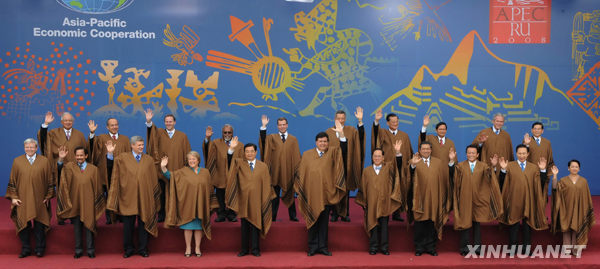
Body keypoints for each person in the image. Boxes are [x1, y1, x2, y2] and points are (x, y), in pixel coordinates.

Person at [295, 123, 347, 257]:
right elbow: (302, 174)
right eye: (320, 141)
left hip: (327, 194)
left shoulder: (333, 152)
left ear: (328, 142)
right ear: (316, 142)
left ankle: (323, 247)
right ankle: (312, 247)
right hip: (312, 194)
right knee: (312, 221)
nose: (323, 143)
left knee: (324, 223)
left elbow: (344, 150)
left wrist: (341, 134)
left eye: (325, 141)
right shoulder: (307, 155)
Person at [106, 136, 161, 258]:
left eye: (142, 145)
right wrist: (110, 154)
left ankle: (143, 249)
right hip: (127, 197)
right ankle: (128, 249)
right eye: (139, 145)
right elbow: (111, 168)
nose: (141, 147)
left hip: (144, 198)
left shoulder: (149, 160)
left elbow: (153, 180)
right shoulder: (122, 158)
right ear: (132, 145)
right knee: (128, 227)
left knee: (144, 225)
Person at [160, 151, 219, 258]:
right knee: (188, 227)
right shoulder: (183, 171)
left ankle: (197, 247)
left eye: (193, 159)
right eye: (189, 159)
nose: (191, 161)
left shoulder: (205, 172)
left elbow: (210, 188)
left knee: (199, 227)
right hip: (187, 204)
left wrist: (211, 202)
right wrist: (163, 167)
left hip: (201, 204)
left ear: (198, 160)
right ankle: (188, 247)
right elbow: (171, 177)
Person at [226, 140, 275, 257]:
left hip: (258, 200)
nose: (249, 154)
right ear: (244, 153)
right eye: (247, 151)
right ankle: (244, 250)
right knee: (244, 227)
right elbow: (229, 162)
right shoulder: (239, 163)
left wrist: (265, 199)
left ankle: (255, 249)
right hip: (243, 200)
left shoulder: (263, 166)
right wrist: (231, 149)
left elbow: (267, 184)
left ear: (256, 152)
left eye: (251, 151)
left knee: (256, 226)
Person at [451, 145, 503, 256]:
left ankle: (477, 248)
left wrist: (493, 166)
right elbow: (453, 177)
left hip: (479, 199)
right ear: (466, 154)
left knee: (476, 224)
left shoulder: (483, 166)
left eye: (473, 153)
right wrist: (451, 162)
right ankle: (464, 248)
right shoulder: (460, 166)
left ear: (477, 154)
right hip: (465, 198)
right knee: (465, 224)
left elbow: (490, 178)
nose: (471, 155)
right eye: (469, 153)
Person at [405, 141, 454, 256]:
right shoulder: (414, 161)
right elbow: (407, 177)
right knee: (420, 225)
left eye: (428, 149)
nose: (426, 151)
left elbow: (447, 176)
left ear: (431, 150)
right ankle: (419, 248)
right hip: (419, 199)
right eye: (423, 149)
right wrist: (413, 165)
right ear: (420, 150)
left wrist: (451, 161)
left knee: (432, 224)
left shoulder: (438, 163)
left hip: (434, 198)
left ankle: (431, 247)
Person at [6, 139, 54, 258]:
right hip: (22, 199)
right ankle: (26, 249)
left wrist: (48, 196)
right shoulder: (17, 161)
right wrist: (14, 197)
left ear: (36, 148)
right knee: (23, 225)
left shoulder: (44, 161)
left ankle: (39, 249)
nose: (29, 149)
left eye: (32, 147)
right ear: (24, 148)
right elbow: (13, 179)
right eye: (27, 147)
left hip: (40, 199)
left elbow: (50, 180)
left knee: (39, 225)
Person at [497, 144, 548, 256]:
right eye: (519, 153)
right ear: (516, 153)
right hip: (514, 200)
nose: (522, 155)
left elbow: (540, 184)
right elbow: (502, 183)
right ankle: (513, 248)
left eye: (524, 153)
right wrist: (503, 170)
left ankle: (526, 248)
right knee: (513, 225)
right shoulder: (509, 166)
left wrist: (543, 171)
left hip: (528, 200)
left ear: (528, 154)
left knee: (527, 226)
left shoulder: (534, 167)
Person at [38, 111, 87, 225]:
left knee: (74, 193)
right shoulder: (54, 133)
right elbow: (43, 139)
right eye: (65, 120)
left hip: (76, 169)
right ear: (61, 122)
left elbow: (86, 151)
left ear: (73, 122)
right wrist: (45, 124)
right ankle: (61, 216)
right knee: (61, 191)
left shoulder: (79, 135)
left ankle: (74, 216)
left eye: (70, 120)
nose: (68, 122)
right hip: (59, 167)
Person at [56, 146, 105, 259]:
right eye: (77, 155)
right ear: (74, 156)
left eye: (81, 155)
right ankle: (78, 250)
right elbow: (60, 174)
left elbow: (98, 187)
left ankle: (90, 250)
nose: (79, 157)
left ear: (86, 156)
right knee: (77, 228)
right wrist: (60, 160)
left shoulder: (93, 169)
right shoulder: (69, 167)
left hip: (89, 203)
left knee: (89, 227)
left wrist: (96, 203)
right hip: (75, 203)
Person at [355, 141, 403, 255]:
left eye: (379, 156)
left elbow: (399, 166)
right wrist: (364, 201)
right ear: (372, 157)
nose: (377, 158)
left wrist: (397, 152)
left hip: (385, 202)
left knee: (384, 226)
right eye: (375, 156)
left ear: (383, 157)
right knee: (372, 225)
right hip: (371, 202)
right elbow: (363, 187)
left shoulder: (389, 167)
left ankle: (384, 248)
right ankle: (373, 247)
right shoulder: (366, 171)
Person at [145, 108, 191, 223]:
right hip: (161, 170)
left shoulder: (182, 136)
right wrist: (149, 122)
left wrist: (187, 169)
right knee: (162, 193)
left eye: (170, 121)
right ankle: (162, 214)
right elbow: (152, 133)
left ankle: (178, 214)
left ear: (175, 122)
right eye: (166, 121)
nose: (168, 123)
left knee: (177, 193)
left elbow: (188, 153)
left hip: (178, 170)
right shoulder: (159, 133)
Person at [372, 109, 413, 221]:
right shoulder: (383, 133)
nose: (395, 124)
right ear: (387, 123)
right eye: (393, 122)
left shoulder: (404, 136)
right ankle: (384, 212)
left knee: (399, 189)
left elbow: (409, 152)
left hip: (400, 167)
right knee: (386, 190)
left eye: (397, 122)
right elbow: (375, 135)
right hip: (386, 168)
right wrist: (376, 121)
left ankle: (397, 213)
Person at [88, 118, 131, 224]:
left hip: (121, 172)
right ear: (107, 127)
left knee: (121, 195)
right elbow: (92, 148)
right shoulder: (102, 138)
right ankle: (109, 217)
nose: (114, 127)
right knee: (108, 194)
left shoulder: (125, 139)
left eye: (116, 124)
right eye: (112, 125)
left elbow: (130, 156)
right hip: (105, 171)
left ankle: (121, 216)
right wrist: (92, 133)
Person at [325, 108, 365, 222]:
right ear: (335, 119)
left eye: (343, 118)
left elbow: (361, 137)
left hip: (347, 164)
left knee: (345, 189)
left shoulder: (351, 130)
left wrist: (360, 121)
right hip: (332, 166)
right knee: (334, 189)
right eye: (338, 118)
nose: (341, 120)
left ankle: (345, 214)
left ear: (345, 119)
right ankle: (334, 214)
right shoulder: (328, 132)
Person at [258, 116, 300, 222]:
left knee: (290, 194)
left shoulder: (293, 139)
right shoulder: (272, 138)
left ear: (287, 125)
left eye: (283, 124)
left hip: (288, 172)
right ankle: (273, 216)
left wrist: (296, 172)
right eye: (280, 125)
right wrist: (264, 126)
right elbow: (263, 142)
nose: (282, 126)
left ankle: (293, 216)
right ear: (277, 126)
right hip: (275, 173)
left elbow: (296, 156)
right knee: (274, 196)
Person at [550, 160, 595, 256]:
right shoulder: (563, 180)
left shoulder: (583, 181)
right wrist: (554, 176)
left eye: (576, 167)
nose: (574, 168)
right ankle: (566, 250)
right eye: (572, 166)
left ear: (579, 169)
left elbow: (586, 196)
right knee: (566, 228)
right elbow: (555, 189)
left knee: (576, 227)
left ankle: (575, 250)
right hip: (566, 208)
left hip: (579, 208)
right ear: (568, 168)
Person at [203, 124, 244, 222]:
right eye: (225, 132)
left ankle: (231, 214)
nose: (227, 134)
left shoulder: (240, 145)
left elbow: (243, 161)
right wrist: (207, 139)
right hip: (220, 174)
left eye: (229, 132)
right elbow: (207, 151)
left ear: (232, 133)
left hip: (234, 175)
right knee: (220, 196)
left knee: (233, 194)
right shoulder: (215, 143)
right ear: (222, 133)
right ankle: (221, 214)